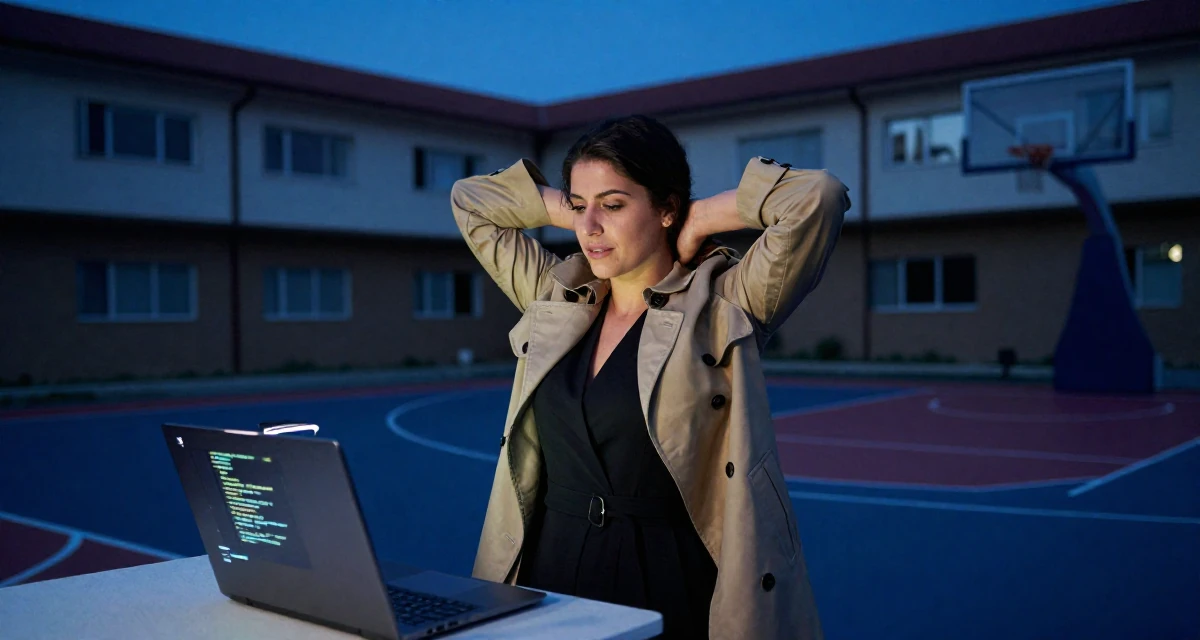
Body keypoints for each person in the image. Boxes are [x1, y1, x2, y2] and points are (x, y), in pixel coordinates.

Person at [451, 114, 848, 639]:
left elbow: (816, 197)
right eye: (579, 206)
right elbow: (471, 200)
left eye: (613, 205)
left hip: (668, 581)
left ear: (665, 208)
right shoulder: (555, 295)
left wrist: (701, 217)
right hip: (551, 569)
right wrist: (578, 206)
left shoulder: (725, 303)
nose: (589, 228)